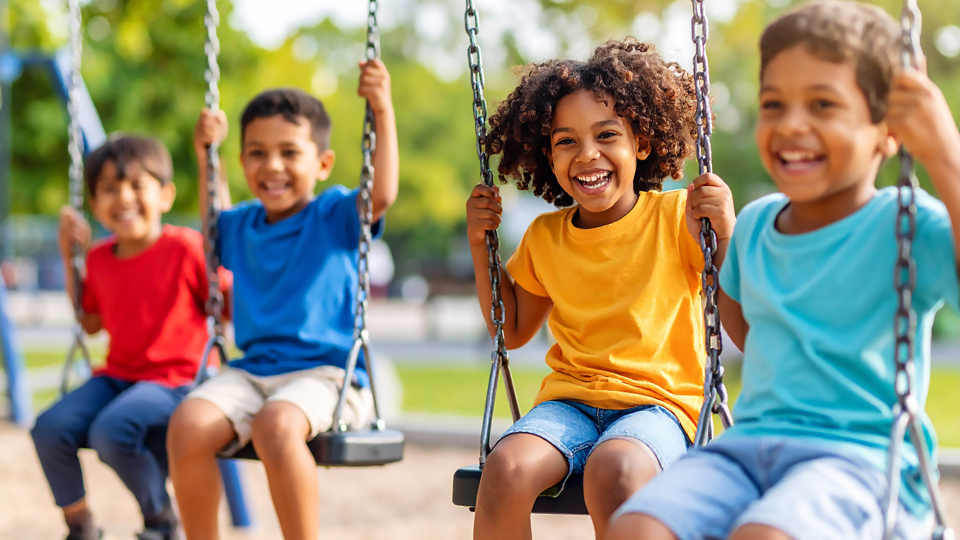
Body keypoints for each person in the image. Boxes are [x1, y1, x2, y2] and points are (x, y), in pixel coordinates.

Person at [607, 2, 960, 540]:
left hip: (858, 459)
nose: (792, 124)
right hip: (747, 447)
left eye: (823, 103)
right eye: (774, 104)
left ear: (888, 131)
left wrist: (945, 155)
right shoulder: (755, 223)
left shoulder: (906, 225)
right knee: (637, 525)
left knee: (766, 535)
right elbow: (749, 326)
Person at [464, 38, 736, 540]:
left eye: (607, 134)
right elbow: (515, 327)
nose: (587, 155)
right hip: (568, 405)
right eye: (566, 141)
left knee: (615, 471)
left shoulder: (678, 218)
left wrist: (724, 232)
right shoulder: (545, 236)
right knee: (504, 470)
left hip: (658, 407)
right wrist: (483, 247)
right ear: (547, 155)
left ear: (643, 143)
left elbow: (736, 298)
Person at [167, 58, 399, 540]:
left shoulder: (333, 213)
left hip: (329, 377)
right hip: (253, 372)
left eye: (289, 152)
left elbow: (380, 195)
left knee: (276, 426)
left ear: (322, 162)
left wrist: (381, 107)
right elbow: (214, 223)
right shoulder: (243, 224)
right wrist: (205, 154)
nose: (271, 166)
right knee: (187, 423)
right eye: (256, 153)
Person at [31, 134, 229, 540]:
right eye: (108, 188)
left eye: (137, 185)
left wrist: (214, 170)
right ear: (95, 203)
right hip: (121, 375)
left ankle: (160, 519)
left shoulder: (185, 248)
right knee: (49, 428)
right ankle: (80, 525)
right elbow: (90, 323)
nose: (123, 197)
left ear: (166, 195)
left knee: (113, 429)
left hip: (179, 377)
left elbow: (224, 304)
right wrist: (70, 257)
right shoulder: (100, 258)